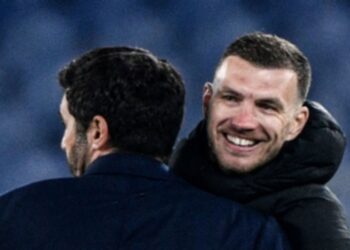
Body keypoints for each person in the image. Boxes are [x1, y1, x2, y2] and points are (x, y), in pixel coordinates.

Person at [0, 46, 290, 249]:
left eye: (69, 125)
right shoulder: (244, 231)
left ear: (98, 131)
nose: (65, 141)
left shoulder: (13, 215)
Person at [170, 32, 350, 250]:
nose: (243, 122)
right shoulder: (166, 178)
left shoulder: (314, 221)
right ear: (207, 101)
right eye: (231, 98)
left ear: (296, 123)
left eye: (267, 107)